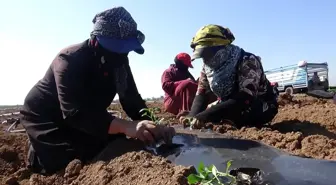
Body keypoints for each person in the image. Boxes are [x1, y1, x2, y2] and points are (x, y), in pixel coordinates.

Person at [20, 7, 175, 174]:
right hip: (47, 116)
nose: (120, 55)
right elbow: (75, 113)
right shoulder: (69, 59)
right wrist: (127, 126)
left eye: (125, 51)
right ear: (95, 41)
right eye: (115, 49)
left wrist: (154, 126)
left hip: (87, 115)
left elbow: (132, 100)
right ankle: (36, 150)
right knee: (69, 161)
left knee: (113, 142)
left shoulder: (119, 63)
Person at [179, 24, 278, 129]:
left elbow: (245, 97)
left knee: (225, 117)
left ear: (223, 48)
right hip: (228, 102)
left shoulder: (247, 60)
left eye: (208, 54)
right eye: (203, 56)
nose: (206, 60)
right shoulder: (207, 68)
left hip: (257, 103)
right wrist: (192, 115)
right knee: (209, 114)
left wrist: (205, 116)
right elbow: (202, 94)